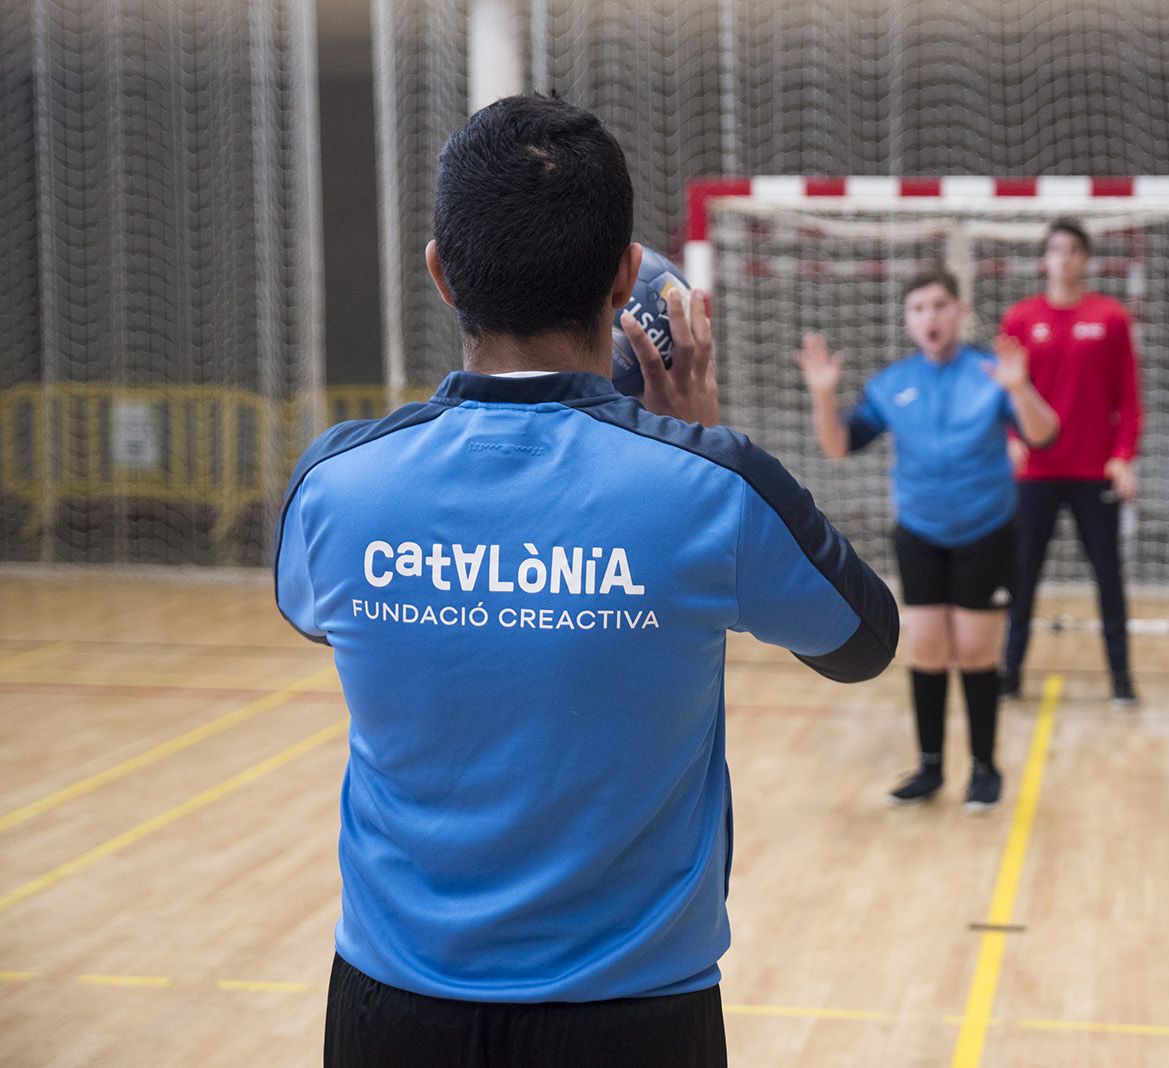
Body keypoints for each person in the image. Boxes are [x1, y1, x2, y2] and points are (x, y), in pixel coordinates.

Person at [274, 95, 898, 1068]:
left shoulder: (336, 485)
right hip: (632, 1019)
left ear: (441, 274)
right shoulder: (710, 486)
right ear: (622, 276)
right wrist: (696, 439)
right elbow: (863, 642)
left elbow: (318, 617)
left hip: (387, 1010)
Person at [796, 267, 1058, 812]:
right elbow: (840, 445)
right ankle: (931, 768)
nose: (929, 317)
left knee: (976, 651)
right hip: (918, 531)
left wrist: (1019, 387)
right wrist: (824, 396)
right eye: (918, 309)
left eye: (939, 306)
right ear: (908, 321)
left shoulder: (991, 374)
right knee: (927, 649)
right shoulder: (893, 384)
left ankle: (985, 769)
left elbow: (1042, 432)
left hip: (985, 530)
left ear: (960, 312)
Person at [999, 218, 1144, 707]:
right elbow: (1003, 393)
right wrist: (1009, 438)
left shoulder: (1111, 318)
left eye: (1074, 250)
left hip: (1093, 473)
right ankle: (1010, 673)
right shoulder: (1020, 319)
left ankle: (1121, 677)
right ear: (1044, 259)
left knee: (1108, 576)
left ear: (1086, 259)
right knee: (1021, 575)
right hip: (1035, 474)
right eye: (1056, 250)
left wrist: (1123, 457)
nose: (1064, 258)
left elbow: (1129, 396)